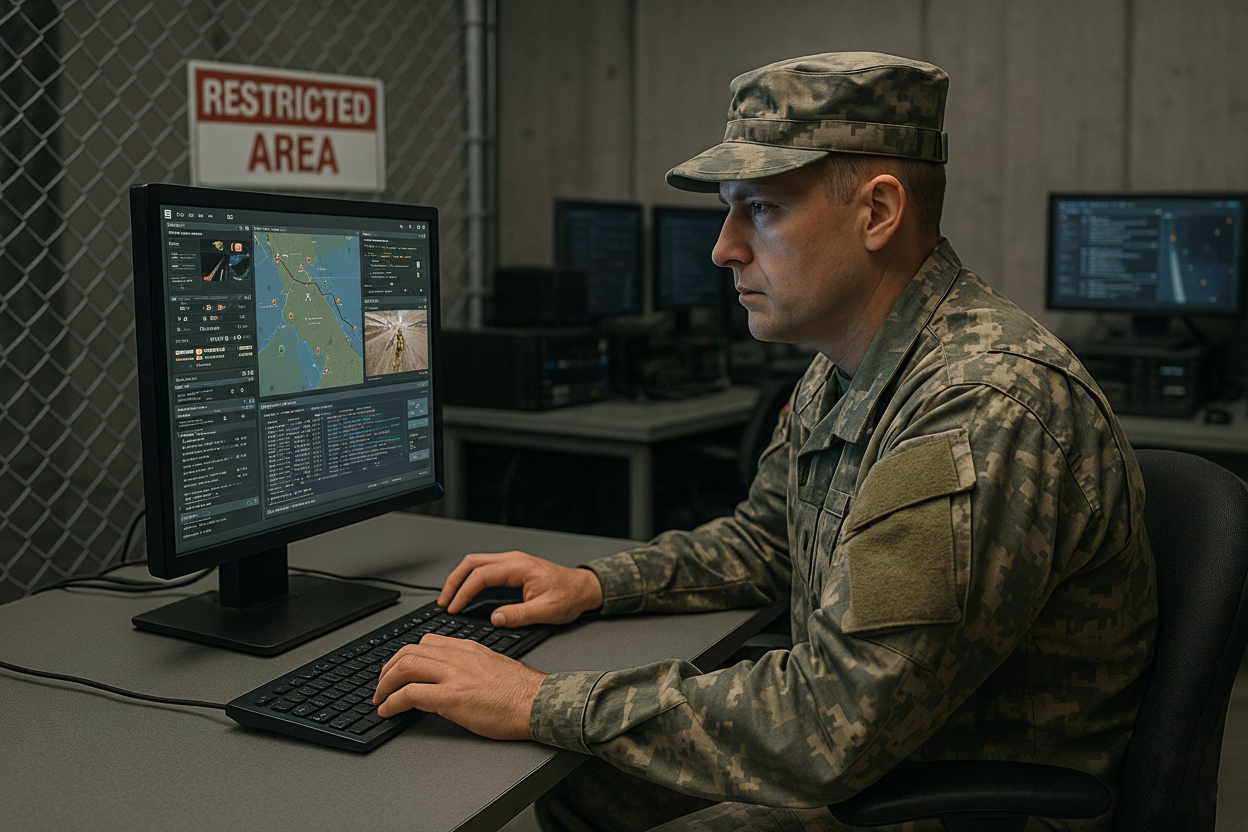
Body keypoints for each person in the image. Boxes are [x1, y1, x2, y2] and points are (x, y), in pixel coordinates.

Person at [372, 52, 1158, 831]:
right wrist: (595, 583)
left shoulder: (981, 405)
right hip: (891, 754)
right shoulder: (844, 365)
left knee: (576, 748)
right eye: (727, 209)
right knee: (586, 784)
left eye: (762, 209)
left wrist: (538, 699)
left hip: (969, 795)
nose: (723, 247)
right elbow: (766, 542)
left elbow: (831, 722)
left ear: (879, 213)